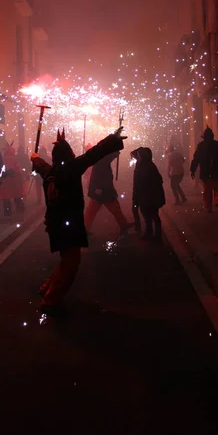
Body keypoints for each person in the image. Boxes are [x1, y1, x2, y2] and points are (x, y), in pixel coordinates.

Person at [32, 126, 127, 313]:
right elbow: (94, 153)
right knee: (71, 263)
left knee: (67, 258)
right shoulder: (71, 169)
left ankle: (47, 287)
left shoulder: (50, 171)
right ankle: (51, 300)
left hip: (55, 223)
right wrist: (112, 139)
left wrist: (34, 158)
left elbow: (40, 165)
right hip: (68, 224)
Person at [84, 149, 132, 234]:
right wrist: (116, 149)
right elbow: (109, 157)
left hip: (102, 191)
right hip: (102, 191)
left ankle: (124, 225)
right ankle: (84, 230)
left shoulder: (99, 159)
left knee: (93, 212)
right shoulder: (101, 161)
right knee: (92, 212)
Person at [190, 127, 218, 215]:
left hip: (205, 171)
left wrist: (193, 170)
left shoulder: (201, 146)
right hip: (216, 170)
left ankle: (208, 208)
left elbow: (196, 159)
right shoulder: (217, 144)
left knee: (207, 190)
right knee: (217, 188)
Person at [133, 147, 165, 241]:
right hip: (146, 196)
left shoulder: (148, 166)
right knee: (148, 215)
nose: (137, 156)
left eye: (139, 155)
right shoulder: (143, 164)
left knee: (153, 215)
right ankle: (149, 232)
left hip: (150, 196)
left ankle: (157, 237)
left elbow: (157, 181)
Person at [1, 142, 25, 216]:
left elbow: (1, 170)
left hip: (5, 180)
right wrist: (21, 176)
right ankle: (19, 209)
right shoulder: (14, 159)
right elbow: (18, 169)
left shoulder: (2, 159)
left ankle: (7, 212)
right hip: (15, 180)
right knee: (17, 195)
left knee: (6, 196)